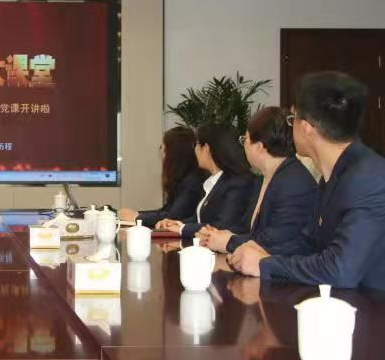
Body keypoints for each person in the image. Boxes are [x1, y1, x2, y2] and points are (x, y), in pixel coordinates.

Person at [230, 72, 385, 290]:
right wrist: (260, 252)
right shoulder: (336, 173)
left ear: (306, 128)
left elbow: (340, 270)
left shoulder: (368, 179)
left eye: (292, 119)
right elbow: (309, 243)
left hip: (371, 307)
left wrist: (264, 264)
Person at [197, 107, 318, 255]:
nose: (244, 146)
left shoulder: (293, 184)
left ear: (259, 147)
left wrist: (228, 242)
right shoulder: (265, 178)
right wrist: (218, 234)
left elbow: (274, 241)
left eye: (245, 140)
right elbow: (247, 227)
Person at [156, 123, 254, 243]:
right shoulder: (214, 180)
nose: (194, 150)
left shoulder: (238, 183)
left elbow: (222, 226)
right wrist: (177, 223)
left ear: (206, 148)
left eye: (196, 145)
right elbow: (199, 219)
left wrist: (182, 229)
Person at [119, 127, 205, 227]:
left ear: (173, 152)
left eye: (163, 147)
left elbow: (173, 216)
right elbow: (166, 210)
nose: (161, 151)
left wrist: (137, 217)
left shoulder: (192, 182)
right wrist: (136, 214)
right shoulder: (183, 177)